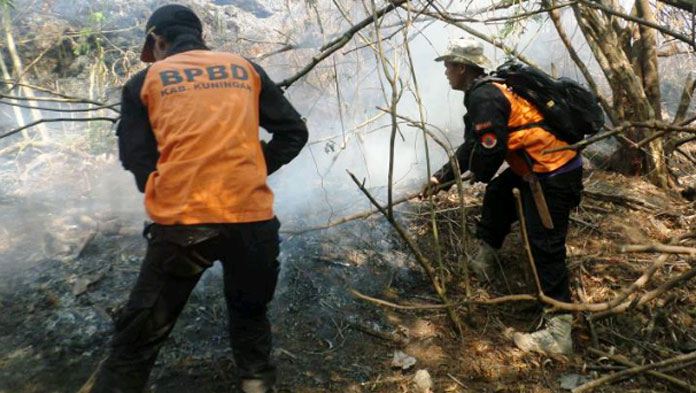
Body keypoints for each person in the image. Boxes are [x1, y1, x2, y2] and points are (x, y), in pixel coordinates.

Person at [79, 4, 308, 393]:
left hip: (182, 226)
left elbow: (135, 156)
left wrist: (163, 184)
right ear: (199, 35)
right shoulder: (245, 68)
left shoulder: (144, 81)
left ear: (157, 39)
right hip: (252, 222)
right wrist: (250, 168)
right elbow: (293, 133)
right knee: (250, 319)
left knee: (136, 342)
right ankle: (257, 385)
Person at [424, 38, 583, 356]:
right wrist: (441, 177)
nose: (445, 73)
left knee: (545, 246)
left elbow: (489, 149)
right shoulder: (485, 90)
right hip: (536, 169)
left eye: (448, 66)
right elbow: (474, 143)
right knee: (498, 195)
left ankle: (559, 333)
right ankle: (484, 261)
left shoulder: (484, 95)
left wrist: (477, 175)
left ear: (461, 67)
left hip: (552, 173)